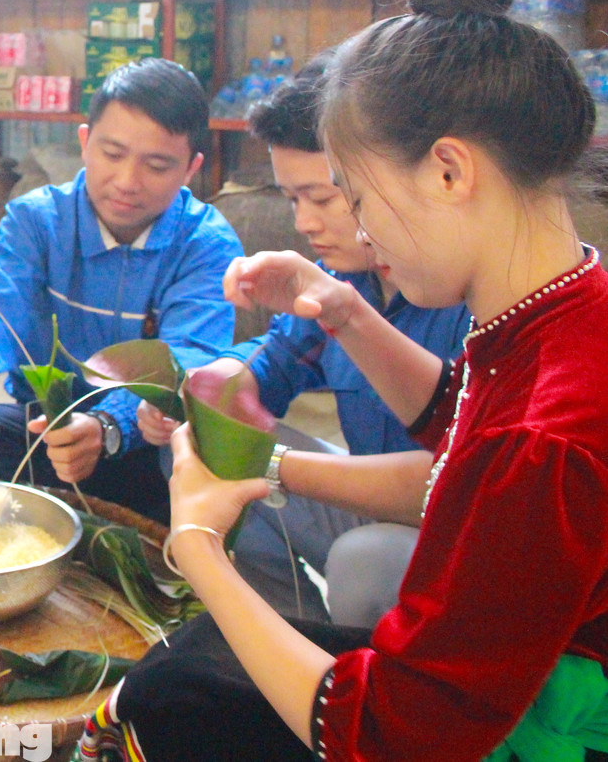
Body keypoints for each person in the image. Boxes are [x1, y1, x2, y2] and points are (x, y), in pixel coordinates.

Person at [83, 0, 608, 762]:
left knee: (180, 696)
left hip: (529, 718)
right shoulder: (565, 302)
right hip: (493, 679)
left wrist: (196, 547)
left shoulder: (543, 435)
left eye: (356, 200)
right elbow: (453, 416)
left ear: (447, 169)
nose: (357, 233)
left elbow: (393, 734)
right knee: (182, 670)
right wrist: (346, 310)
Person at [136, 53, 472, 626]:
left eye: (325, 197)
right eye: (293, 199)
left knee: (362, 561)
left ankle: (344, 681)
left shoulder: (472, 294)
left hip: (460, 533)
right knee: (208, 446)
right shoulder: (341, 280)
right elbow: (277, 362)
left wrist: (272, 463)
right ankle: (287, 639)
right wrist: (211, 385)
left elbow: (457, 477)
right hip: (371, 498)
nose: (304, 222)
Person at [0, 58, 243, 526]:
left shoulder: (206, 244)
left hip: (144, 444)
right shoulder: (36, 221)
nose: (126, 182)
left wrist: (108, 425)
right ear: (84, 142)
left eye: (156, 165)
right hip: (50, 434)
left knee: (198, 462)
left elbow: (191, 355)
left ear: (191, 168)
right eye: (112, 154)